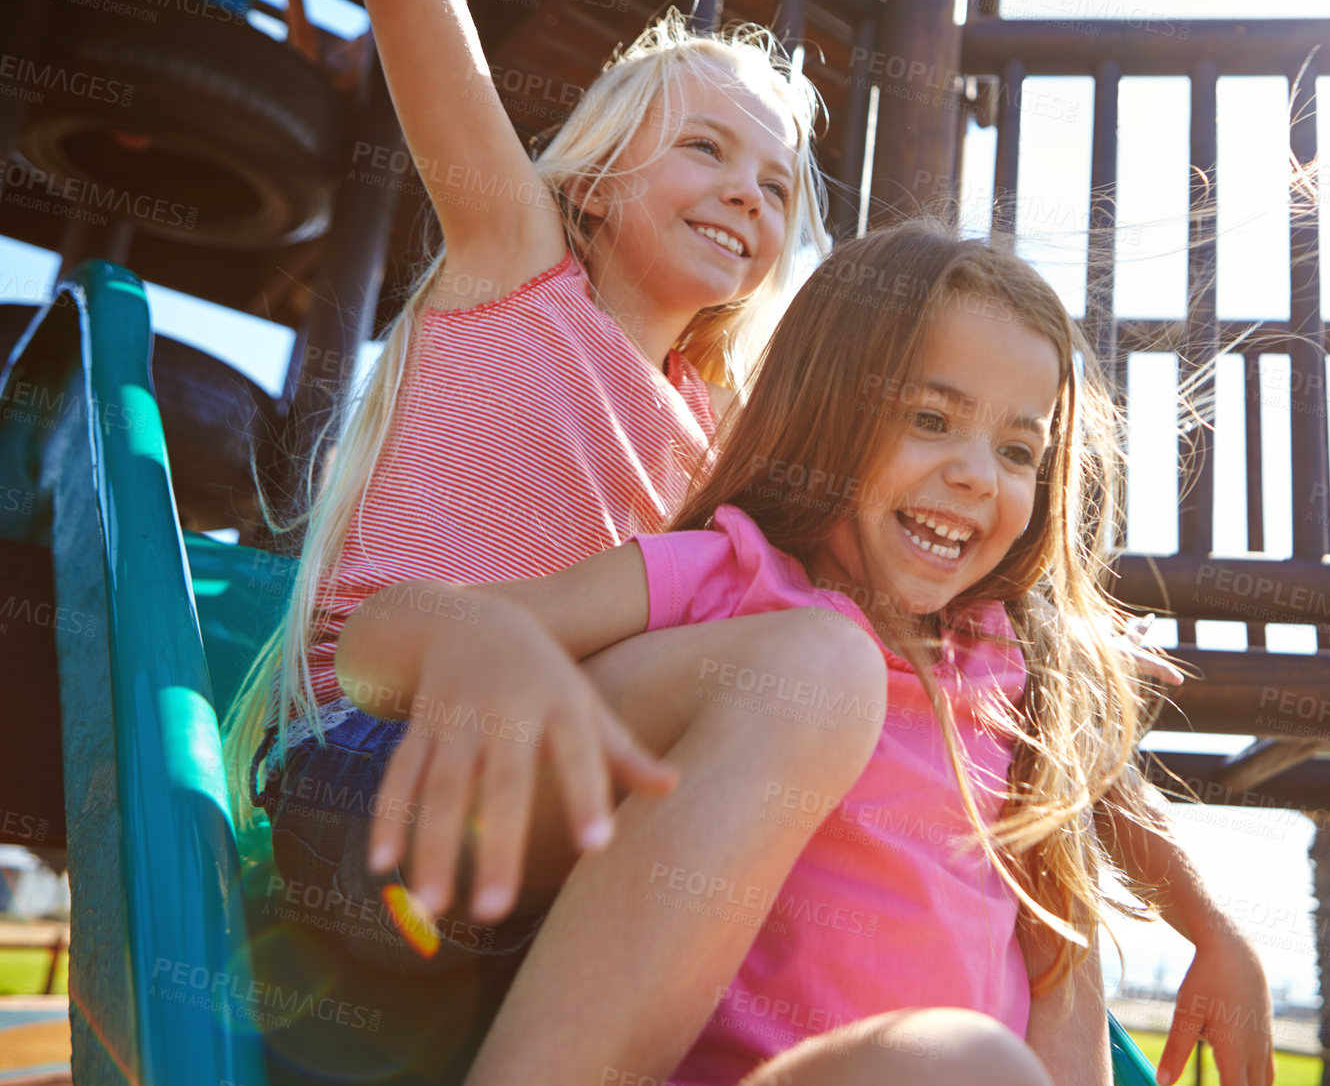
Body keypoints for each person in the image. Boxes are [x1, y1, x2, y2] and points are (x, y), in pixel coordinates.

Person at [335, 222, 1277, 1086]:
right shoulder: (739, 582)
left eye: (1020, 451)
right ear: (829, 408)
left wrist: (1214, 930)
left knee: (990, 1045)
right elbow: (371, 646)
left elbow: (1097, 812)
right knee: (965, 1051)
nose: (976, 474)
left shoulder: (1008, 673)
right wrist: (483, 643)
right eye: (932, 419)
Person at [220, 0, 865, 1039]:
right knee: (800, 670)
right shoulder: (517, 267)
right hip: (374, 755)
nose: (742, 196)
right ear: (601, 179)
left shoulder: (723, 444)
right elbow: (420, 15)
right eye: (704, 150)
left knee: (817, 686)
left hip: (561, 802)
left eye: (771, 185)